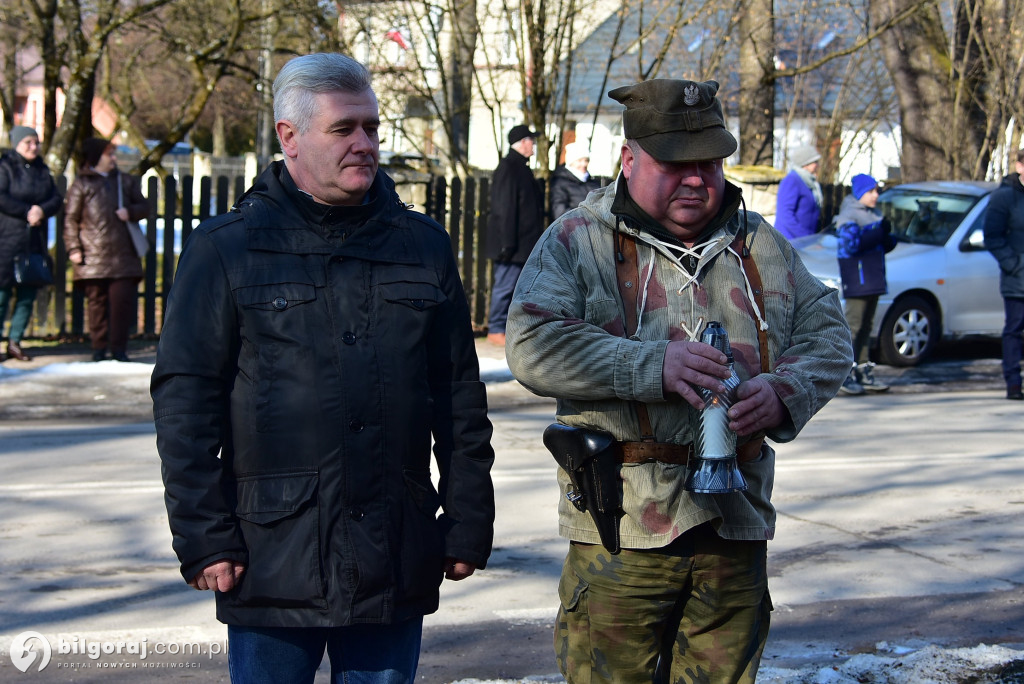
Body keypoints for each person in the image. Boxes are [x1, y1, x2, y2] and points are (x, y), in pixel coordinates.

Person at [151, 53, 495, 684]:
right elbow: (186, 405)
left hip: (395, 550)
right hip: (272, 554)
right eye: (344, 129)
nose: (364, 144)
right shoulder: (227, 248)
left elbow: (458, 397)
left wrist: (468, 519)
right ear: (290, 136)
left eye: (371, 128)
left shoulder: (421, 245)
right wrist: (204, 535)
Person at [505, 78, 852, 684]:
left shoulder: (757, 244)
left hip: (734, 527)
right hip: (624, 533)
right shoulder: (578, 240)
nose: (697, 180)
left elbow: (829, 336)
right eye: (676, 164)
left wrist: (784, 393)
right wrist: (652, 365)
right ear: (630, 158)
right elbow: (531, 346)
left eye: (710, 164)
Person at [63, 138, 147, 362]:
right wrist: (74, 248)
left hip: (123, 255)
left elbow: (145, 206)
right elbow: (70, 219)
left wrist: (130, 212)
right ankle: (98, 349)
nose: (113, 158)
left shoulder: (125, 181)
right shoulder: (82, 184)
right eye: (108, 154)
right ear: (95, 157)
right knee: (96, 305)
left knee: (121, 305)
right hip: (92, 255)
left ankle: (119, 350)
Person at [0, 126, 62, 362]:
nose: (34, 147)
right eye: (28, 142)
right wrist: (26, 211)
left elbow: (55, 198)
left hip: (33, 242)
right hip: (6, 239)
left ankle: (15, 341)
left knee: (27, 294)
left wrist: (41, 210)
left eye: (36, 142)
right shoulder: (6, 167)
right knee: (2, 294)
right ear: (16, 143)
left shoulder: (42, 170)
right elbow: (2, 196)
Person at [834, 173, 897, 395]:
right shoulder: (849, 215)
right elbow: (851, 246)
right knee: (853, 326)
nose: (876, 195)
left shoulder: (874, 215)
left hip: (874, 276)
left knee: (867, 327)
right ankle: (844, 373)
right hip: (858, 278)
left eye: (877, 191)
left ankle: (863, 370)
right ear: (860, 193)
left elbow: (881, 244)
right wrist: (877, 232)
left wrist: (888, 236)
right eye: (871, 191)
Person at [484, 123, 545, 346]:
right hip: (512, 244)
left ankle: (508, 328)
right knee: (505, 286)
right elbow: (505, 207)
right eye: (531, 141)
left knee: (519, 288)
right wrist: (507, 243)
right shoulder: (509, 167)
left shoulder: (519, 166)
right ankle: (496, 328)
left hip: (521, 243)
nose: (534, 145)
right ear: (523, 143)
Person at [983, 148, 1024, 400]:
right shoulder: (1004, 197)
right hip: (1017, 278)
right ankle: (1013, 382)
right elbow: (992, 237)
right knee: (1014, 329)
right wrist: (1014, 265)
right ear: (1019, 166)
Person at [774, 144, 823, 240]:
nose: (818, 165)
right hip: (789, 241)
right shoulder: (792, 180)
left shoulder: (808, 182)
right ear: (806, 164)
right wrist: (805, 236)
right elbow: (785, 215)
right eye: (815, 162)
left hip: (803, 240)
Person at [550, 140, 600, 220]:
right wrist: (587, 218)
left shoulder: (593, 183)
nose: (584, 164)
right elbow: (560, 212)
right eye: (579, 161)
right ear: (571, 162)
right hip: (572, 230)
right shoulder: (560, 183)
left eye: (586, 160)